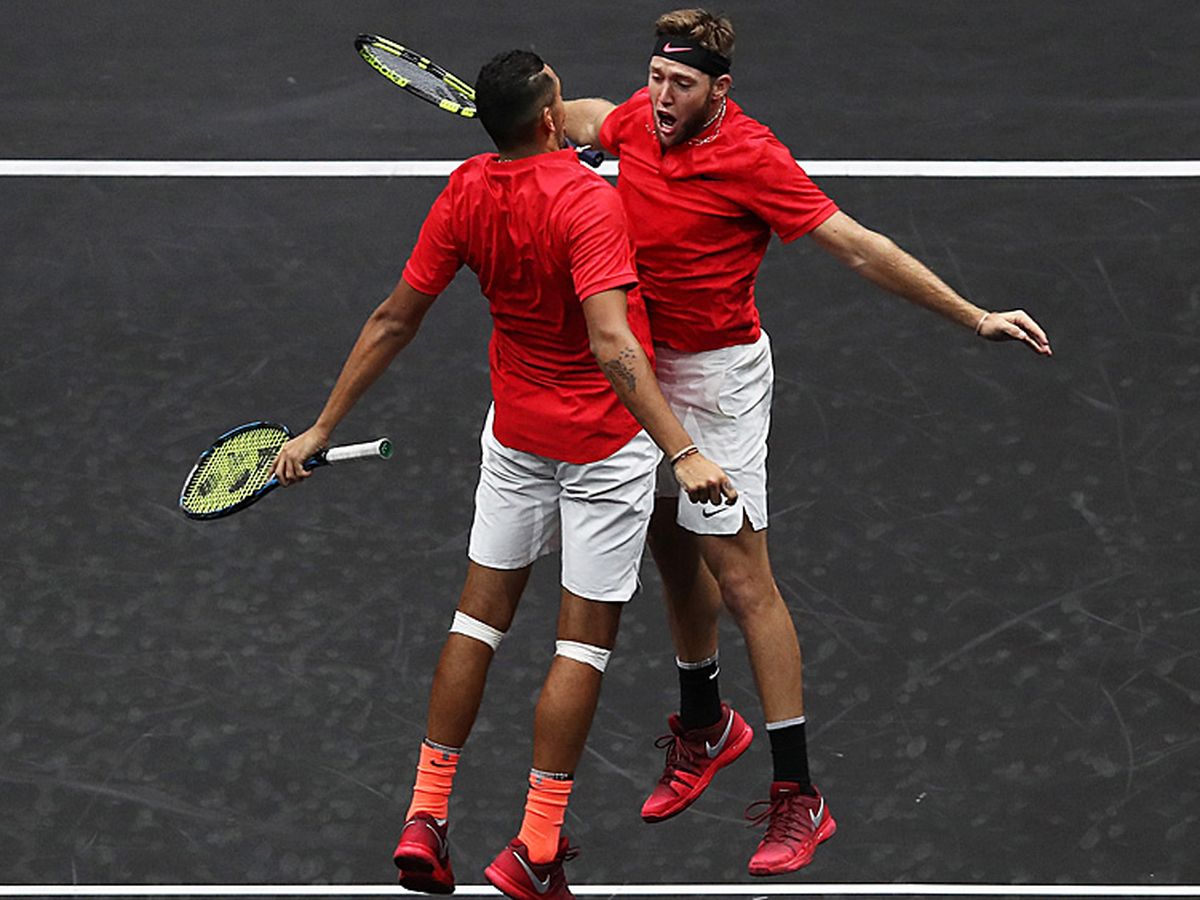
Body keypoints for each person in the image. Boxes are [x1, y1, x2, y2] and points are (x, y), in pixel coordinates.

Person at [564, 8, 1053, 878]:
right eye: (655, 76)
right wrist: (536, 113)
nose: (661, 95)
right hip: (646, 371)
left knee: (744, 576)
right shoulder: (639, 117)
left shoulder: (754, 157)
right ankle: (706, 723)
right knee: (673, 548)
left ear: (722, 90)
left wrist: (973, 314)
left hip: (718, 383)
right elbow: (593, 115)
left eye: (681, 84)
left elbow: (859, 249)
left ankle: (800, 793)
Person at [273, 48, 735, 899]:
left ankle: (425, 816)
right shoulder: (590, 205)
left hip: (516, 438)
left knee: (477, 622)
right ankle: (537, 845)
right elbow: (611, 343)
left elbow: (393, 318)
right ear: (552, 117)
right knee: (579, 644)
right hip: (602, 447)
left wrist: (321, 427)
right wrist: (682, 448)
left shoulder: (464, 190)